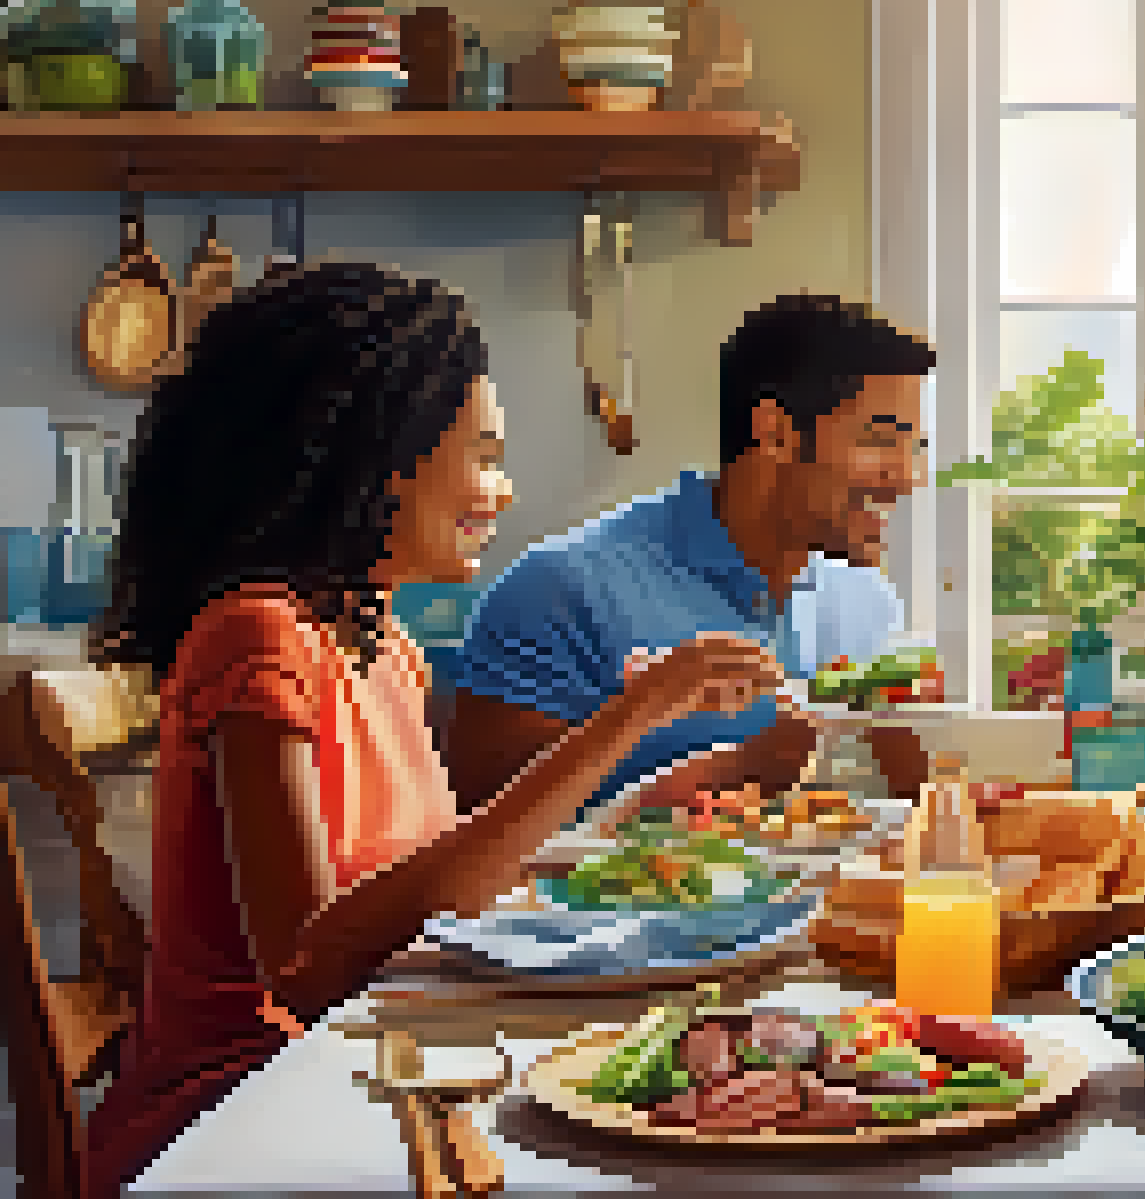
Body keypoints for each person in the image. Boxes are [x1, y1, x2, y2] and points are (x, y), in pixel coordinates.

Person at [79, 264, 787, 1193]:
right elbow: (302, 963)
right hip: (236, 1116)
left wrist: (668, 776)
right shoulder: (257, 636)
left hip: (364, 1070)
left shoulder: (387, 648)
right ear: (376, 462)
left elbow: (453, 877)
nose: (502, 489)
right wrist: (627, 717)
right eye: (484, 454)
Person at [444, 294, 936, 821]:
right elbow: (479, 842)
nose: (909, 479)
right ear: (775, 433)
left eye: (917, 448)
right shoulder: (559, 591)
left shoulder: (869, 605)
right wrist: (731, 769)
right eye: (882, 442)